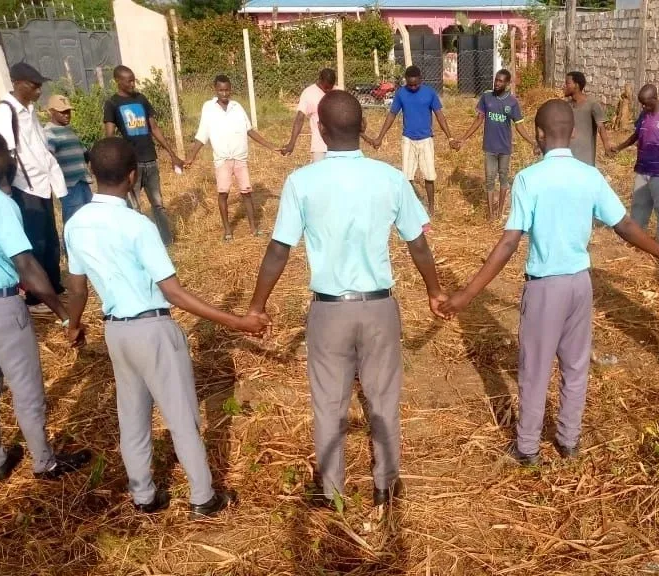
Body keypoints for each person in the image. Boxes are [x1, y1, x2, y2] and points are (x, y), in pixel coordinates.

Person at [439, 100, 659, 466]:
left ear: (537, 135)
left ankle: (528, 448)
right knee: (575, 366)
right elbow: (625, 226)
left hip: (545, 287)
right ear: (574, 133)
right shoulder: (590, 176)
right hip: (580, 286)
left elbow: (509, 242)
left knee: (535, 370)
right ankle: (568, 441)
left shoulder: (529, 179)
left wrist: (467, 294)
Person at [247, 90, 447, 514]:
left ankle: (333, 492)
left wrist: (256, 306)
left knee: (329, 403)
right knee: (383, 399)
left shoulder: (302, 181)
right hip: (378, 308)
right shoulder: (390, 178)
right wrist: (434, 290)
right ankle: (386, 487)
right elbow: (419, 244)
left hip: (328, 310)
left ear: (319, 130)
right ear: (364, 127)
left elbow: (278, 250)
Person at [63, 138, 267, 517]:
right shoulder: (138, 225)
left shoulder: (76, 224)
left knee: (133, 417)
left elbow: (76, 287)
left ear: (92, 173)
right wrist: (236, 321)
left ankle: (144, 496)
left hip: (116, 332)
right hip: (152, 328)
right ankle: (203, 497)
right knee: (181, 416)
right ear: (132, 175)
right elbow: (173, 292)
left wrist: (72, 325)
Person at [0, 126, 91, 481]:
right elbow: (26, 266)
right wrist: (66, 316)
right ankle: (44, 462)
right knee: (26, 387)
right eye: (6, 158)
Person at [0, 63, 67, 314]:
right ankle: (36, 298)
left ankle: (54, 288)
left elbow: (40, 147)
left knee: (51, 240)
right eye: (34, 86)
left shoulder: (29, 110)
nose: (38, 91)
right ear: (18, 83)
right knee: (36, 243)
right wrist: (7, 191)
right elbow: (5, 153)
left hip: (42, 184)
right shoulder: (5, 112)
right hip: (24, 186)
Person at [185, 75, 284, 241]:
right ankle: (228, 231)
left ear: (231, 89)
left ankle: (254, 228)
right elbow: (202, 134)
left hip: (240, 158)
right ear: (215, 90)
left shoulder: (237, 107)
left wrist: (272, 146)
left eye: (227, 90)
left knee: (246, 192)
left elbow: (250, 130)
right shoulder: (208, 108)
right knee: (223, 193)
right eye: (221, 90)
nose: (224, 93)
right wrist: (191, 157)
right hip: (222, 159)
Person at [103, 65, 184, 246]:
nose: (133, 84)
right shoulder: (112, 104)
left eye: (134, 80)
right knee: (134, 207)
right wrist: (115, 161)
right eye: (129, 80)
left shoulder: (141, 99)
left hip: (150, 160)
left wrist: (172, 154)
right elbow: (109, 136)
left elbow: (154, 128)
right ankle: (139, 243)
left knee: (158, 204)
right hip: (132, 165)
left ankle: (167, 241)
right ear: (118, 81)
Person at [370, 66, 458, 216]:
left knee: (429, 176)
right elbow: (391, 116)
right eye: (410, 84)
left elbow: (439, 116)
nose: (413, 87)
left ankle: (431, 208)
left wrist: (450, 137)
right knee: (407, 176)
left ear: (421, 80)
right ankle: (410, 207)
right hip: (408, 140)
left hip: (426, 140)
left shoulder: (429, 93)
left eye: (415, 84)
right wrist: (380, 137)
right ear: (406, 81)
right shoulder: (401, 94)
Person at [455, 69, 536, 220]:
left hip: (504, 148)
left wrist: (532, 142)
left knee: (504, 178)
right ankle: (491, 214)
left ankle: (500, 212)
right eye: (496, 80)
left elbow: (519, 126)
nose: (497, 83)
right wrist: (464, 138)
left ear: (507, 83)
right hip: (489, 147)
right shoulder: (487, 97)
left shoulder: (512, 102)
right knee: (489, 179)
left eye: (500, 81)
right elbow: (479, 119)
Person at [610, 84, 659, 243]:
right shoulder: (644, 114)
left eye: (646, 103)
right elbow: (635, 136)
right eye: (641, 103)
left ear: (654, 99)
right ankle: (636, 239)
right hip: (643, 168)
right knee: (638, 206)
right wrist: (619, 148)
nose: (643, 106)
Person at [43, 94, 94, 225]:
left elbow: (83, 153)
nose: (67, 115)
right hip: (69, 185)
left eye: (68, 111)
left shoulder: (69, 130)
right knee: (74, 220)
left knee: (89, 218)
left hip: (82, 181)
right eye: (62, 112)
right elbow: (49, 158)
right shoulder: (49, 133)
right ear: (51, 112)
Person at [283, 68, 337, 162]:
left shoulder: (338, 91)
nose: (328, 90)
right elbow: (299, 118)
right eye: (326, 87)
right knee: (320, 175)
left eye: (331, 87)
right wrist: (292, 143)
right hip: (320, 147)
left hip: (339, 146)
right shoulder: (309, 93)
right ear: (320, 80)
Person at [563, 71, 612, 166]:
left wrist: (606, 147)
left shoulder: (592, 104)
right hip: (568, 156)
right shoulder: (566, 106)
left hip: (585, 158)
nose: (564, 86)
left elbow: (601, 127)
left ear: (576, 85)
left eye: (567, 83)